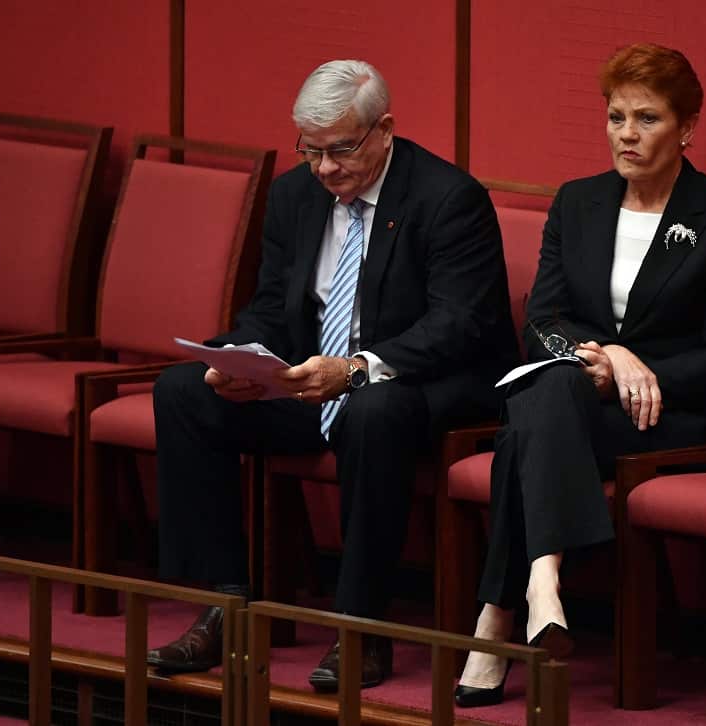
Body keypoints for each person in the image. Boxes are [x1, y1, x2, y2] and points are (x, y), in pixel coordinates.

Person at [146, 59, 517, 691]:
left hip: (426, 383)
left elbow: (458, 324)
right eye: (310, 151)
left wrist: (356, 370)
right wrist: (234, 358)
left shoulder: (449, 199)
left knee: (373, 410)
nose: (324, 168)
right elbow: (270, 305)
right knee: (183, 394)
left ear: (385, 130)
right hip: (316, 376)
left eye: (341, 149)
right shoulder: (297, 194)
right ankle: (226, 604)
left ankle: (361, 628)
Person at [454, 43, 706, 707]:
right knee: (557, 384)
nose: (627, 134)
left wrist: (631, 372)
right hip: (581, 404)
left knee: (524, 430)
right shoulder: (578, 203)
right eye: (616, 117)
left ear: (686, 128)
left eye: (647, 119)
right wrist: (606, 356)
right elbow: (542, 321)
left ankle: (503, 611)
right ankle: (539, 584)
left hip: (667, 417)